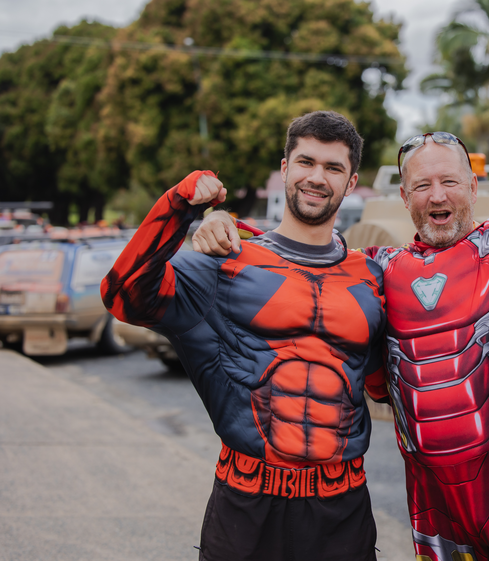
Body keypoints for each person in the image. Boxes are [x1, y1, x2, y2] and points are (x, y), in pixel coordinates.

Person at [196, 13, 489, 561]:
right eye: (422, 184)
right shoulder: (378, 269)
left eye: (449, 181)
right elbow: (306, 256)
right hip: (434, 514)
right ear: (405, 197)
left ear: (472, 184)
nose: (436, 194)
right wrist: (226, 228)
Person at [101, 111, 387, 561]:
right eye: (306, 162)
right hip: (247, 504)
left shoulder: (372, 276)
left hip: (343, 510)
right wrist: (180, 206)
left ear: (351, 183)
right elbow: (124, 296)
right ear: (284, 168)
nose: (317, 177)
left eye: (333, 168)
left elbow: (387, 381)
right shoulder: (227, 261)